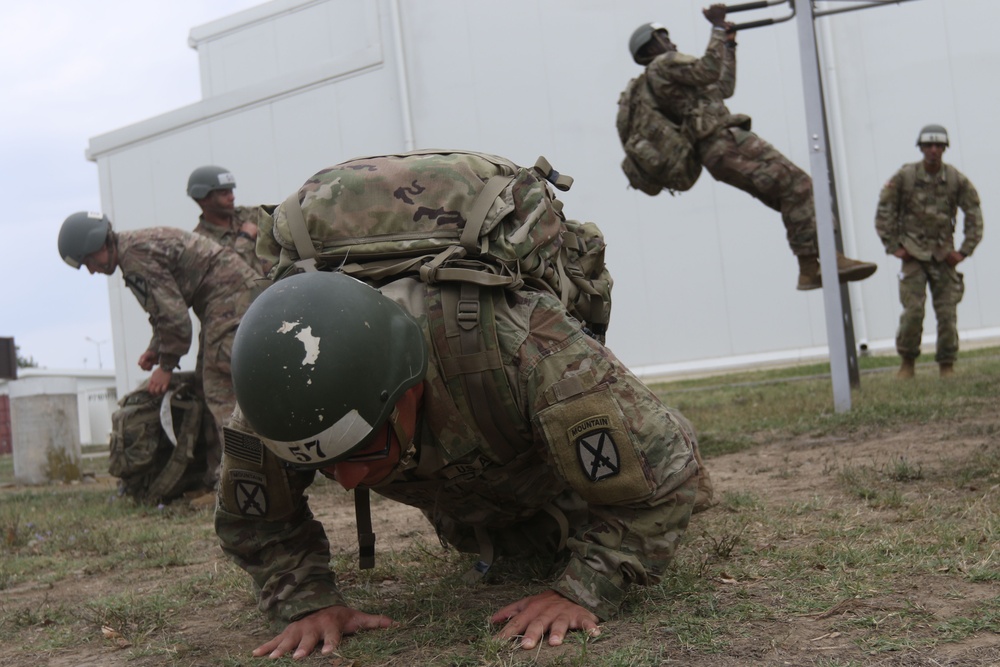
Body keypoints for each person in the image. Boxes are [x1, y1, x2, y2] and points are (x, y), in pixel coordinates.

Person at [216, 268, 713, 660]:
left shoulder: (524, 346)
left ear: (410, 393)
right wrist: (307, 602)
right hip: (468, 502)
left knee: (622, 480)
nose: (347, 482)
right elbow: (254, 521)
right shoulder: (271, 412)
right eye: (327, 468)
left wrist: (584, 591)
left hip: (542, 471)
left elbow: (663, 479)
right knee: (517, 544)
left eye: (362, 451)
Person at [626, 4, 878, 291]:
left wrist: (729, 45)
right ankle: (819, 262)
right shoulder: (663, 64)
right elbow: (708, 69)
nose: (671, 43)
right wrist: (718, 27)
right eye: (663, 38)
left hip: (721, 149)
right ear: (650, 48)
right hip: (725, 142)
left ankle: (812, 266)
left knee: (793, 192)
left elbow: (722, 87)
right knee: (800, 185)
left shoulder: (672, 78)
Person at [57, 212, 260, 493]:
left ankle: (246, 478)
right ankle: (221, 478)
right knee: (206, 385)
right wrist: (156, 348)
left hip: (229, 297)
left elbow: (176, 320)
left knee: (221, 392)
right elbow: (164, 308)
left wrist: (166, 366)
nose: (91, 271)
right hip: (224, 297)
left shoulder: (134, 257)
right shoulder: (132, 250)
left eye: (88, 262)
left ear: (99, 246)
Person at [874, 124, 983, 378]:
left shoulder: (955, 179)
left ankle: (947, 364)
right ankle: (907, 363)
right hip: (913, 255)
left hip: (944, 256)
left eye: (938, 146)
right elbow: (884, 209)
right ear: (921, 148)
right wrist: (894, 246)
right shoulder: (905, 176)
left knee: (947, 313)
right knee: (913, 312)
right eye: (928, 146)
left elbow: (974, 212)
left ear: (944, 148)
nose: (933, 151)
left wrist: (964, 251)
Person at [187, 165, 269, 277]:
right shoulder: (200, 244)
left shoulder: (249, 215)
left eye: (231, 191)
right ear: (204, 199)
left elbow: (283, 216)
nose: (232, 197)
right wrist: (245, 239)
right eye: (224, 193)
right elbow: (230, 275)